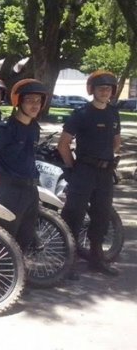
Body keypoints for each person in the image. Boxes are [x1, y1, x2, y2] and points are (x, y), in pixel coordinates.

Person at [58, 70, 121, 278]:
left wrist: (113, 157)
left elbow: (116, 140)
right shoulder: (82, 114)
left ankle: (97, 259)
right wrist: (72, 168)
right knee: (74, 215)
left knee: (101, 215)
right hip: (84, 170)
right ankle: (68, 261)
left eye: (109, 88)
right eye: (101, 88)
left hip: (105, 172)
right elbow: (63, 144)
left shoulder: (113, 112)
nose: (105, 91)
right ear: (91, 90)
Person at [0, 79, 47, 252]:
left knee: (24, 239)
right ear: (19, 102)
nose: (35, 105)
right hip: (10, 190)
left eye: (38, 101)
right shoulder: (6, 127)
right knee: (3, 242)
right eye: (30, 100)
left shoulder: (34, 127)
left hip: (30, 190)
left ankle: (18, 275)